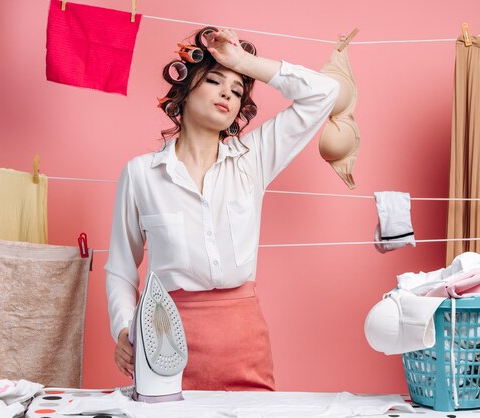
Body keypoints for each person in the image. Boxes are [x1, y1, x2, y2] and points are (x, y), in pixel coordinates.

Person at [105, 27, 339, 391]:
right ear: (182, 93)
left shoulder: (253, 159)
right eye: (215, 80)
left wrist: (243, 61)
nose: (227, 93)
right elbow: (121, 268)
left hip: (245, 345)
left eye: (237, 89)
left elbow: (325, 92)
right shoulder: (141, 174)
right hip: (163, 340)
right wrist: (123, 328)